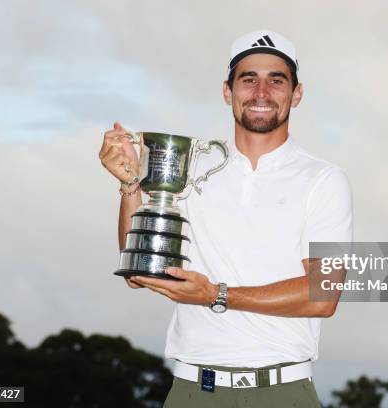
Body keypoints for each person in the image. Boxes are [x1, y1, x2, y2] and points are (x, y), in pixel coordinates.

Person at [99, 30, 353, 408]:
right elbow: (140, 272)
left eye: (276, 80)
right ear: (227, 91)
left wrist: (216, 295)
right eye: (248, 79)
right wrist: (131, 184)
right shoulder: (190, 166)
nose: (261, 92)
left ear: (296, 94)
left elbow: (324, 294)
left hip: (282, 391)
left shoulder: (324, 178)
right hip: (192, 391)